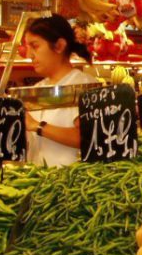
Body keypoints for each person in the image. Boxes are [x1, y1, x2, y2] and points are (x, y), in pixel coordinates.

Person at [23, 15, 98, 167]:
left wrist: (37, 126)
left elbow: (89, 138)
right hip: (39, 181)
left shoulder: (85, 86)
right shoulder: (36, 90)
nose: (29, 55)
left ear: (59, 46)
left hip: (73, 182)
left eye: (35, 46)